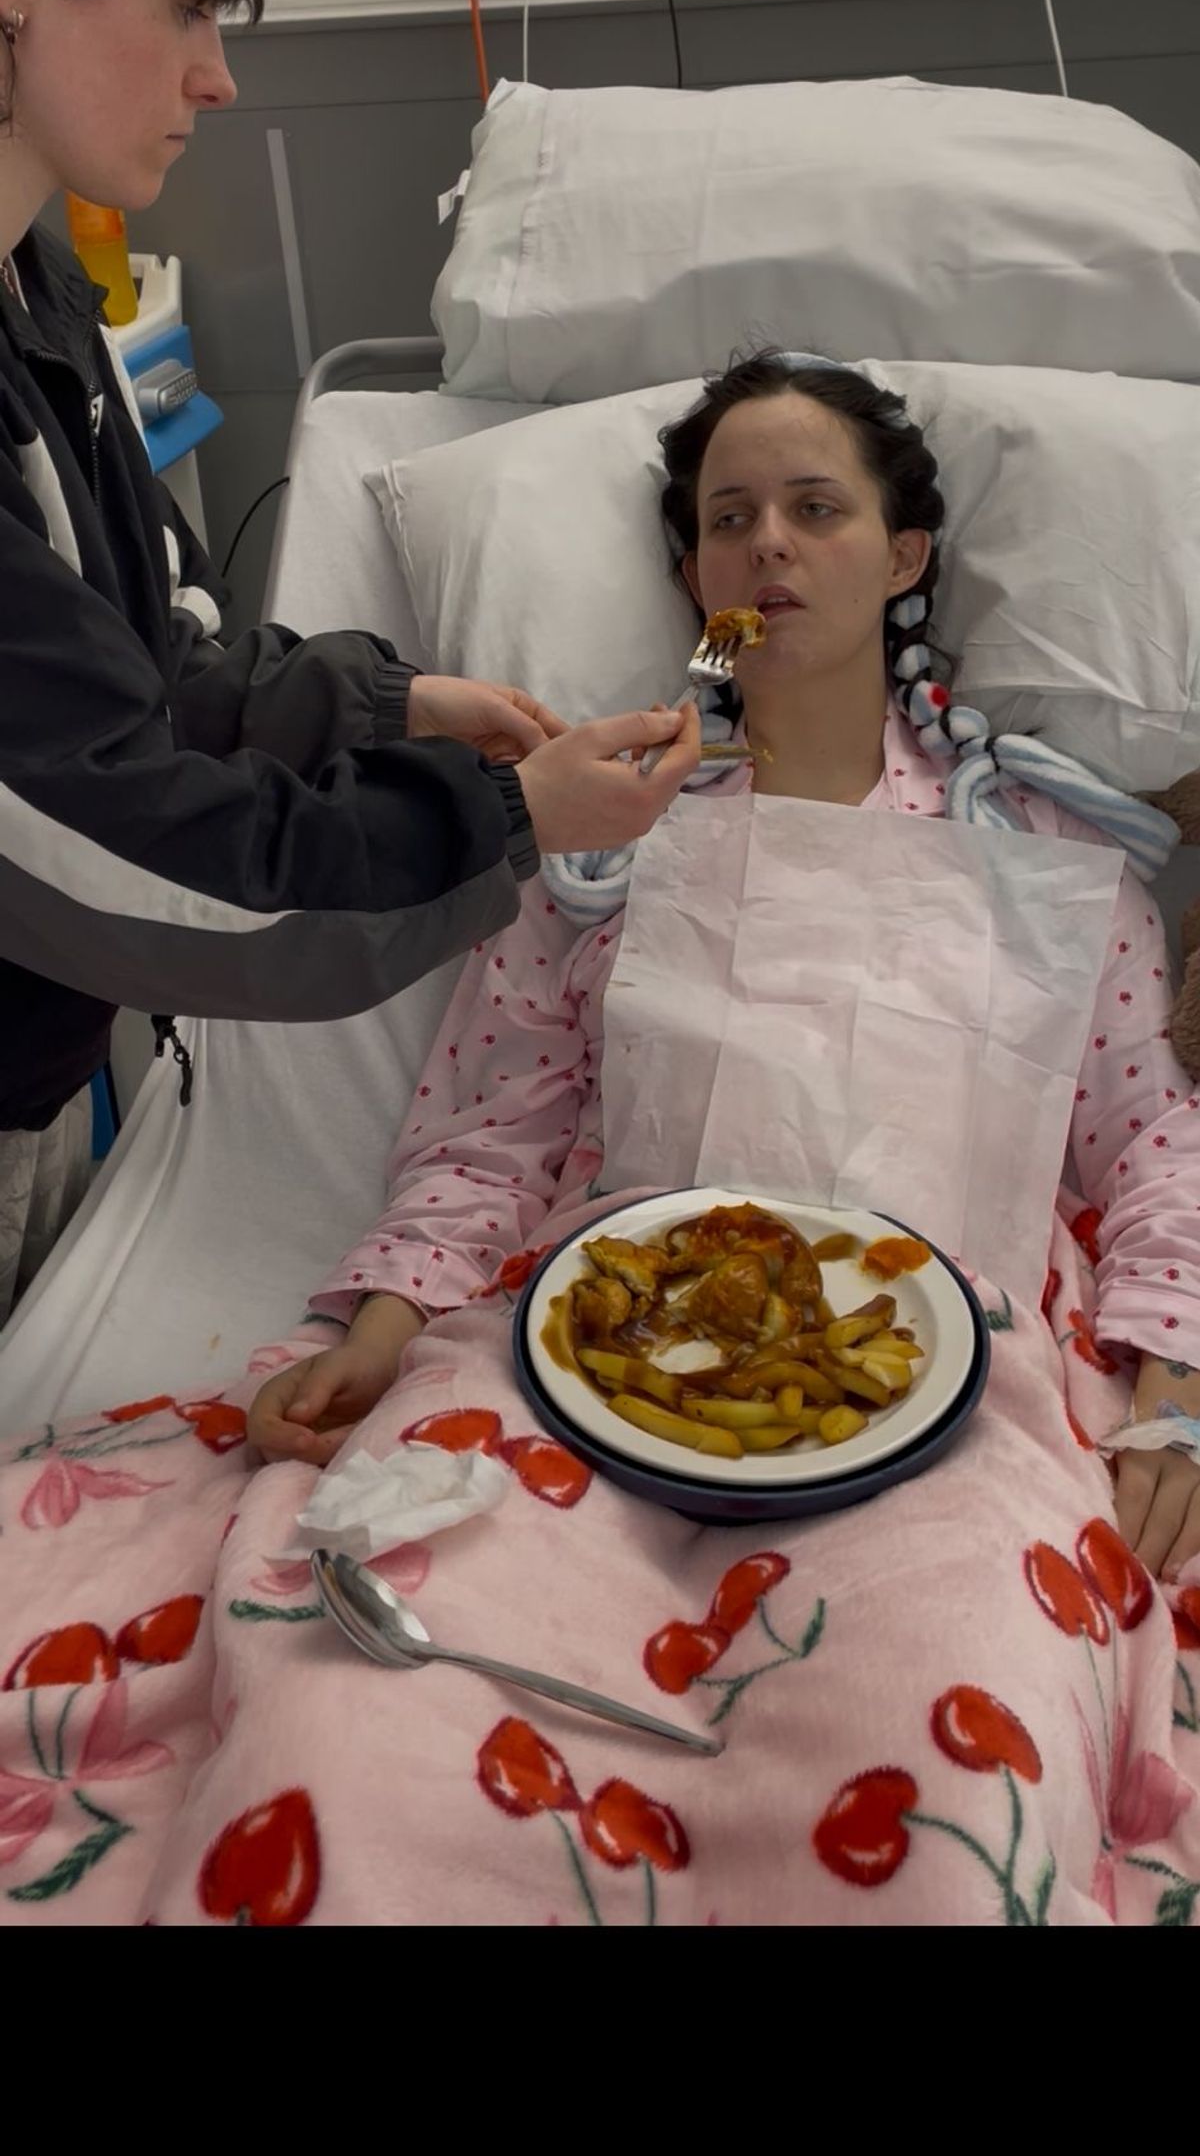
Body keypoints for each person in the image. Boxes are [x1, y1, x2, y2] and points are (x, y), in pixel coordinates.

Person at [1, 355, 1197, 1928]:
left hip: (947, 1386)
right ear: (696, 577)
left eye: (816, 508)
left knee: (945, 1766)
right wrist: (381, 1324)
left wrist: (1171, 1388)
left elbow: (1154, 1145)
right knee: (365, 1708)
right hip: (581, 1345)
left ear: (905, 558)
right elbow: (490, 1131)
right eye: (727, 519)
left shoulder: (1048, 870)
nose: (766, 543)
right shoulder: (595, 853)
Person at [0, 0, 698, 1316]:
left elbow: (158, 663)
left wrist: (398, 707)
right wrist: (509, 813)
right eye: (186, 4)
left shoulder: (40, 288)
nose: (218, 75)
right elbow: (155, 861)